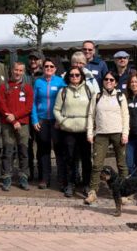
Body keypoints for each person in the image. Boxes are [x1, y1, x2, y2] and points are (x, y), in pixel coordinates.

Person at [86, 70, 129, 205]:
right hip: (101, 134)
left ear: (115, 82)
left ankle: (123, 193)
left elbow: (125, 115)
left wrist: (125, 133)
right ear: (103, 81)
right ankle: (92, 192)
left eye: (111, 80)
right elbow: (91, 115)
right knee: (97, 164)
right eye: (106, 79)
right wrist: (89, 133)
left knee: (121, 164)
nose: (108, 82)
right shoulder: (97, 96)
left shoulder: (121, 96)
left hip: (118, 133)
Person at [53, 66, 92, 198]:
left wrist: (92, 126)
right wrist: (63, 122)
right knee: (69, 158)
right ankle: (70, 183)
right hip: (68, 130)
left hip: (85, 129)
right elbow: (56, 109)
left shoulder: (88, 89)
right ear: (68, 77)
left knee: (86, 159)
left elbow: (95, 109)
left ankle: (87, 184)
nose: (74, 77)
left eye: (77, 75)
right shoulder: (63, 91)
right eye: (72, 75)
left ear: (81, 76)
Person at [0, 62, 34, 191]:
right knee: (7, 152)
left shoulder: (28, 88)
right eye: (16, 70)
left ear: (23, 72)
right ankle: (6, 178)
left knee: (23, 152)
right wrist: (13, 120)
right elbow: (1, 106)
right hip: (7, 124)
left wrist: (16, 117)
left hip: (23, 124)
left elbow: (29, 107)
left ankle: (23, 177)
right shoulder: (4, 87)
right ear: (11, 70)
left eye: (20, 70)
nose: (18, 72)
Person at [31, 57, 66, 189]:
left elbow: (65, 102)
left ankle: (62, 179)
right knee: (43, 150)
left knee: (59, 150)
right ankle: (44, 178)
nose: (49, 68)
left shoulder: (61, 82)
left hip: (56, 121)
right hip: (42, 120)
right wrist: (34, 120)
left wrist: (60, 119)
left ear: (55, 69)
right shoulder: (38, 82)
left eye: (51, 66)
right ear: (43, 68)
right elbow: (33, 103)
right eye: (46, 66)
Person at [25, 51, 44, 181]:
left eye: (35, 59)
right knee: (27, 146)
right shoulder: (24, 74)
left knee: (42, 146)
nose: (33, 61)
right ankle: (29, 172)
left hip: (39, 115)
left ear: (40, 61)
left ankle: (42, 173)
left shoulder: (44, 74)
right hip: (25, 115)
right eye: (31, 59)